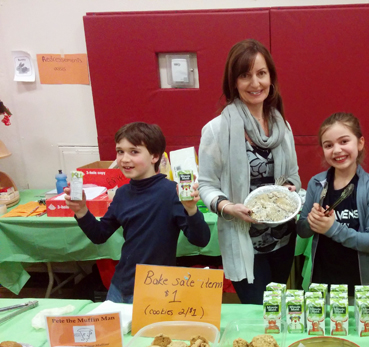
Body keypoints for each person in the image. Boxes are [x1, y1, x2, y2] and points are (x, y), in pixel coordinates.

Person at [198, 39, 300, 304]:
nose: (255, 83)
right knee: (258, 312)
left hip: (281, 238)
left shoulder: (282, 126)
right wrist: (227, 207)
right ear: (234, 82)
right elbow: (206, 185)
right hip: (242, 240)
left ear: (271, 78)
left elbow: (293, 174)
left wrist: (290, 188)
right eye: (245, 75)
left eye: (261, 74)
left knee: (277, 311)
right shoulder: (216, 130)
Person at [64, 122, 211, 303]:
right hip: (120, 285)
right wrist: (81, 211)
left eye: (134, 152)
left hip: (156, 288)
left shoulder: (171, 192)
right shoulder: (122, 193)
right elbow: (99, 235)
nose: (125, 159)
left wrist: (191, 209)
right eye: (120, 151)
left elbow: (201, 239)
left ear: (155, 156)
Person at [297, 113, 369, 298]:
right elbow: (302, 230)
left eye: (344, 141)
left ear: (360, 143)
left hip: (362, 290)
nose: (337, 150)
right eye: (328, 145)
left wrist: (332, 228)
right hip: (322, 286)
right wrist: (311, 223)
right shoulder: (317, 183)